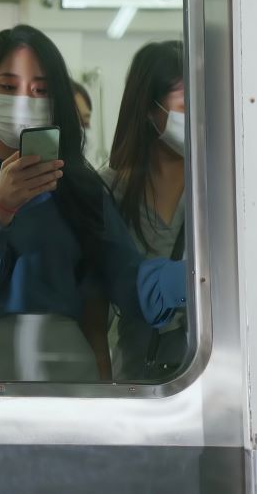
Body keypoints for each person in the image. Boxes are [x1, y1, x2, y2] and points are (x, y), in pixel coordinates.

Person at [0, 25, 184, 382]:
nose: (24, 100)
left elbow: (126, 280)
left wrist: (195, 278)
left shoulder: (79, 186)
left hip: (62, 373)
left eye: (41, 90)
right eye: (7, 86)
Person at [102, 40, 187, 380]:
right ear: (150, 110)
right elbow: (103, 298)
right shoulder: (109, 189)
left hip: (215, 371)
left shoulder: (223, 187)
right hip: (137, 376)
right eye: (185, 105)